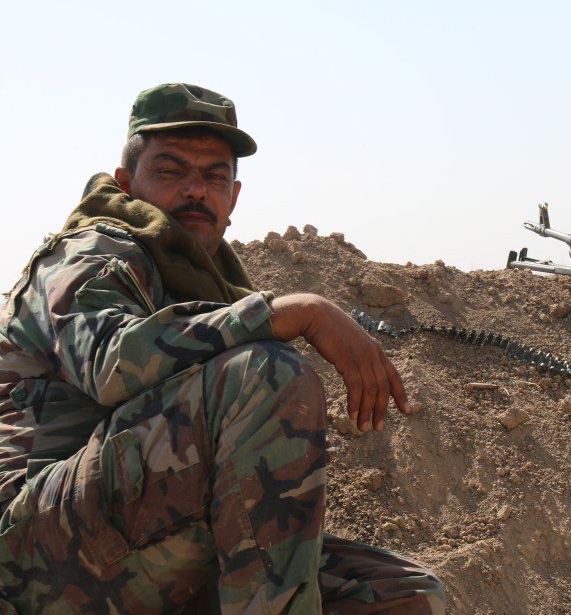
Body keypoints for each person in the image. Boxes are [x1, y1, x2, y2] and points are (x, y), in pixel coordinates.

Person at [0, 83, 446, 614]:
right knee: (266, 373)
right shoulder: (93, 251)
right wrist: (297, 311)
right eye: (170, 171)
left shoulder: (203, 279)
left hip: (139, 542)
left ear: (234, 196)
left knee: (400, 597)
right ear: (126, 183)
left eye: (214, 175)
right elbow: (112, 364)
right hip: (31, 557)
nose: (195, 190)